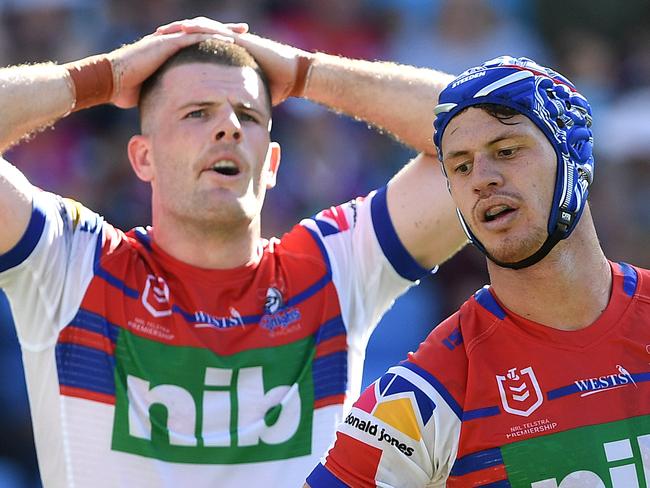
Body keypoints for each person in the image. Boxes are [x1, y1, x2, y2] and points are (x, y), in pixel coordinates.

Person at [0, 17, 466, 488]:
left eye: (247, 115)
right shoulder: (70, 263)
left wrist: (306, 71)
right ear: (143, 157)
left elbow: (488, 133)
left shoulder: (333, 267)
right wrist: (105, 75)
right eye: (197, 113)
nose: (229, 127)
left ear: (272, 163)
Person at [305, 56, 650, 487]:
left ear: (573, 155)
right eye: (461, 166)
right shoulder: (428, 393)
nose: (481, 179)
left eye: (506, 151)